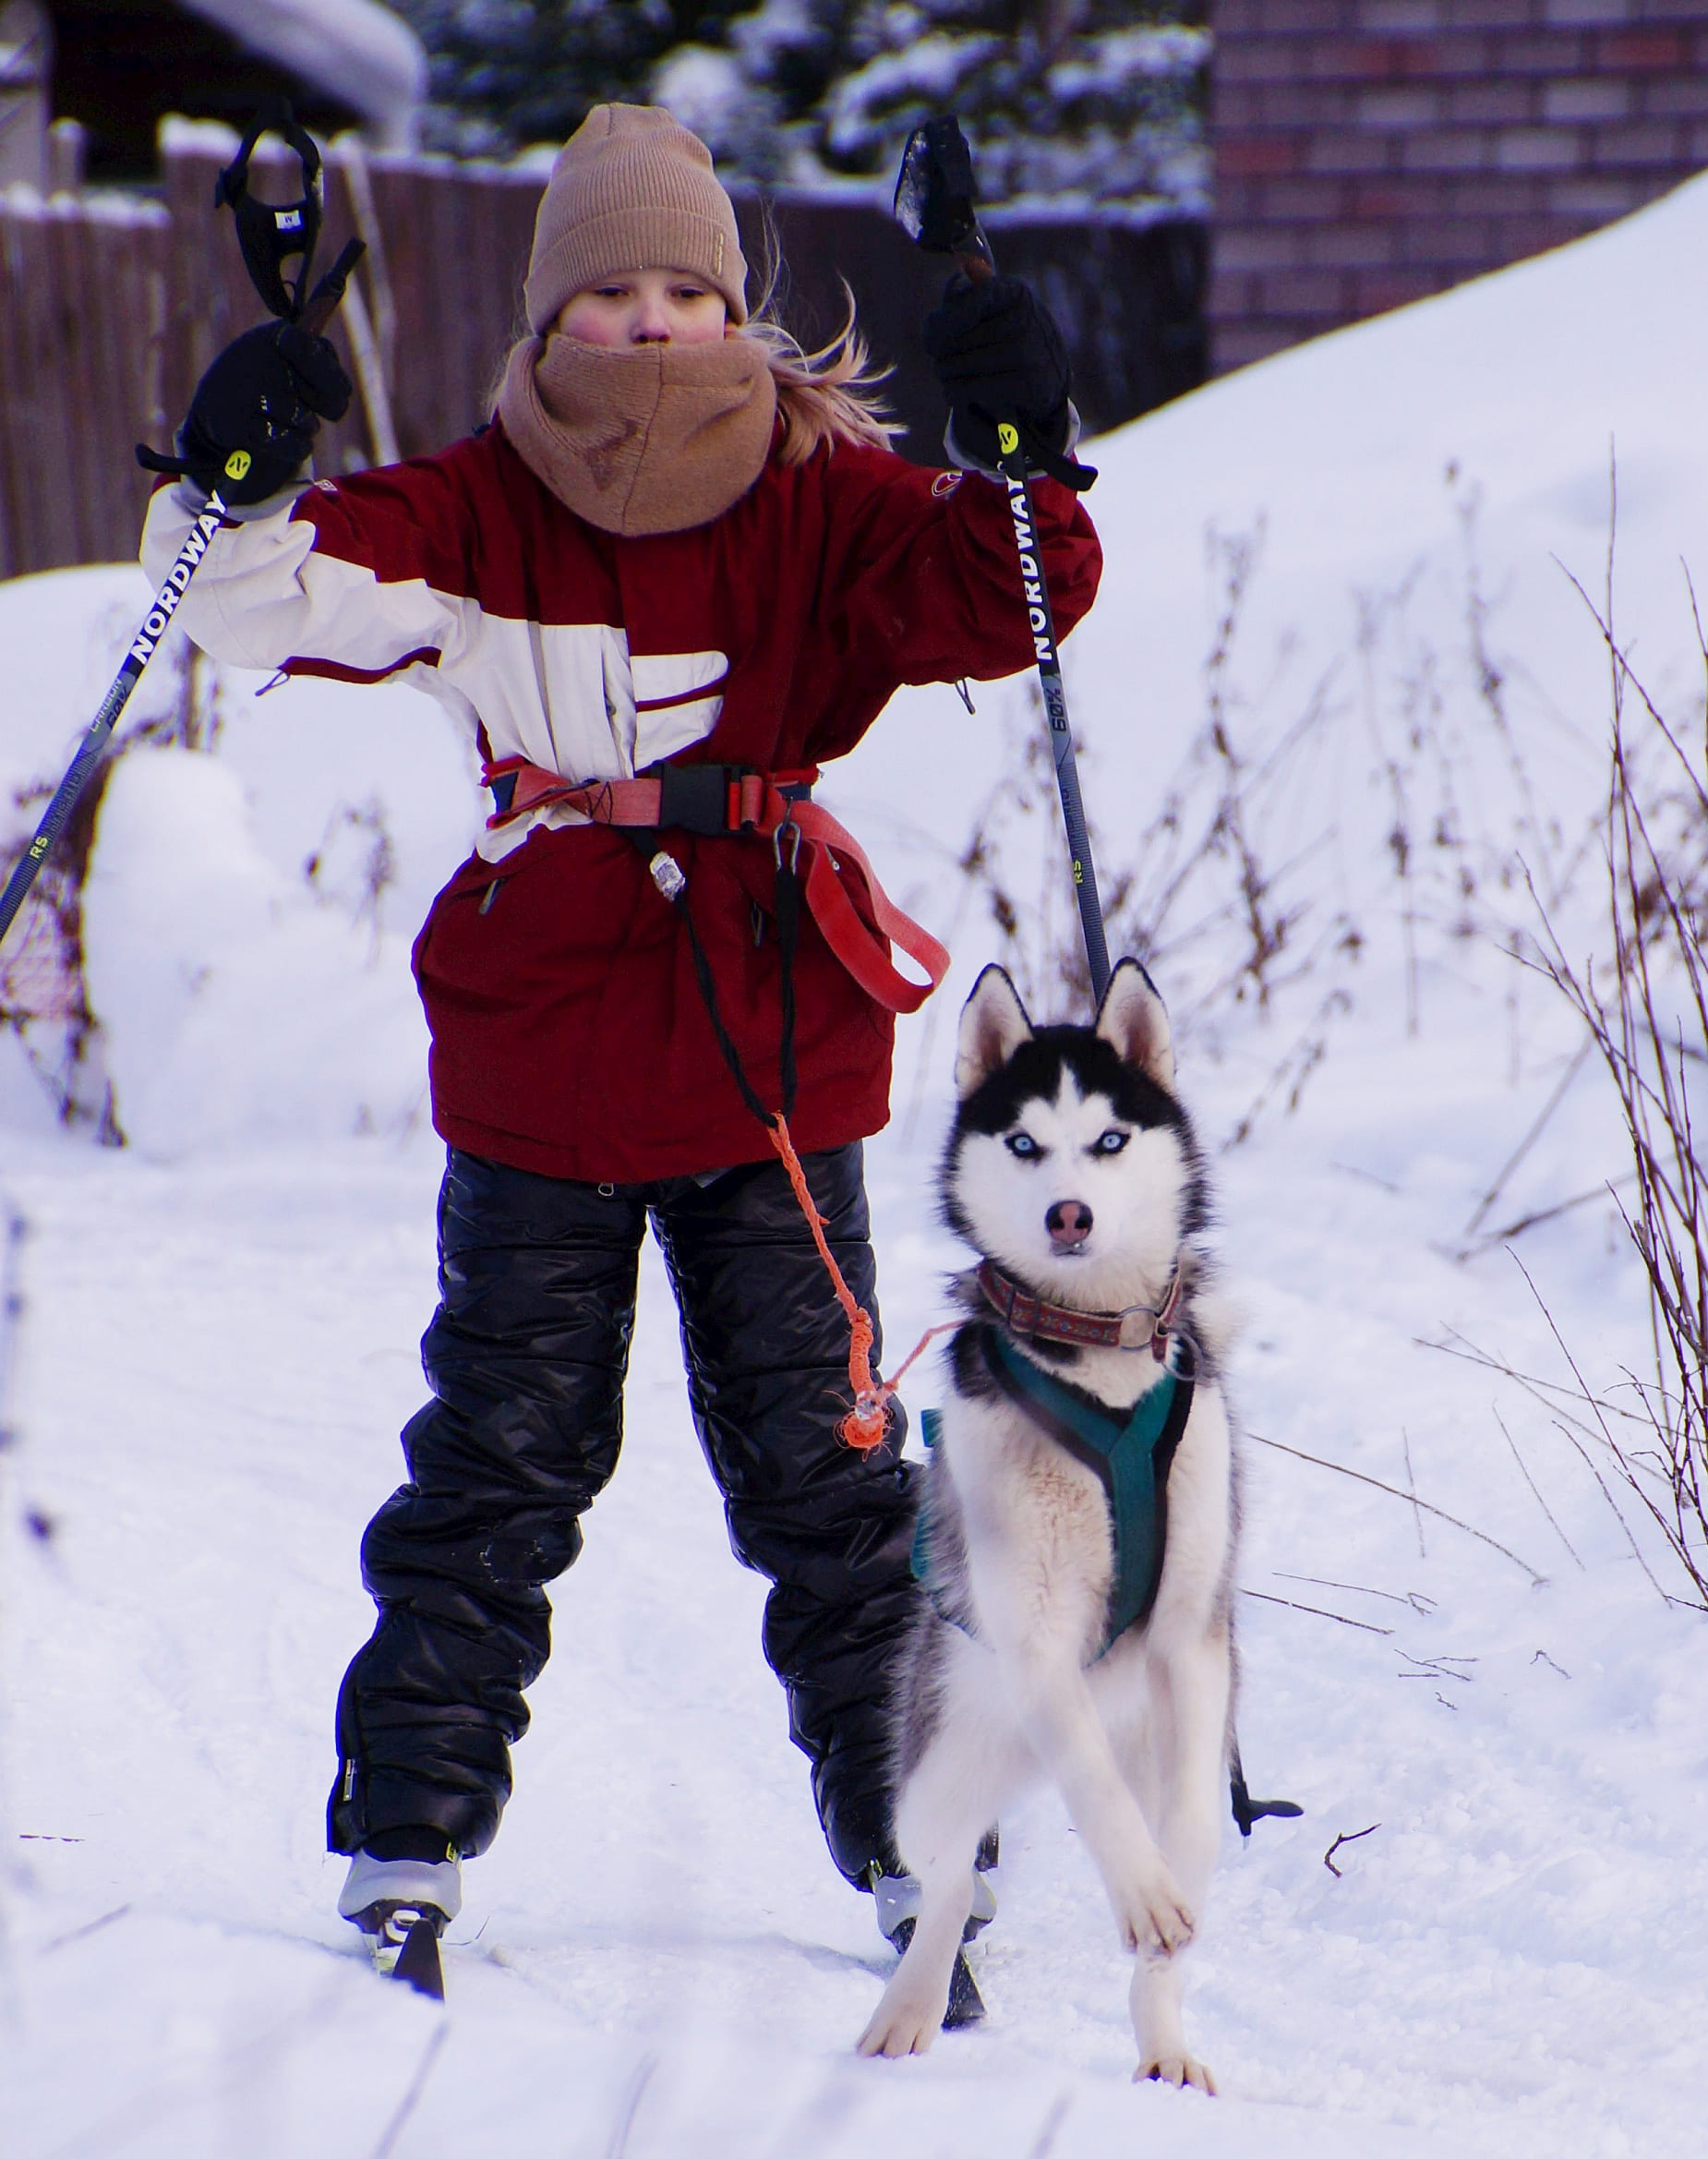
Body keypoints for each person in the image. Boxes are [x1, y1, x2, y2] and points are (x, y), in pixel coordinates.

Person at [138, 103, 1101, 1972]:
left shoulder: (828, 500)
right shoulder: (475, 506)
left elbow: (1018, 598)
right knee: (504, 1454)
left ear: (734, 305)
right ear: (546, 317)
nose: (649, 323)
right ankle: (407, 1833)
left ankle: (925, 1842)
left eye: (683, 286)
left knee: (830, 1479)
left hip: (769, 1051)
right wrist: (233, 467)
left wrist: (1019, 451)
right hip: (548, 1059)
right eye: (606, 291)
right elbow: (250, 595)